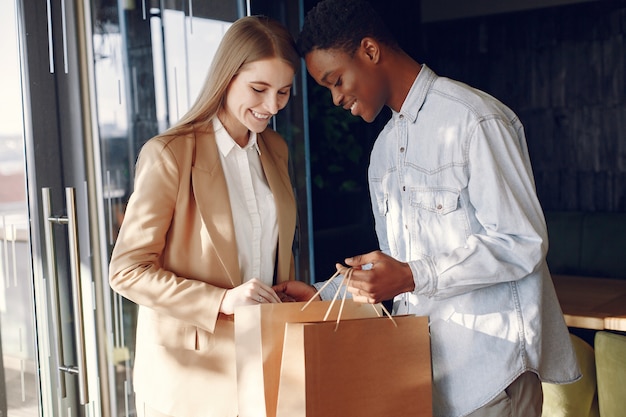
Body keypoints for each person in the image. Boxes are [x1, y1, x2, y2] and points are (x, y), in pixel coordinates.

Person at [273, 1, 581, 416]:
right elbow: (402, 286)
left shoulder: (475, 120)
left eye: (337, 80)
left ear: (369, 50)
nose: (335, 98)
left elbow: (521, 242)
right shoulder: (382, 154)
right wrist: (330, 300)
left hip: (492, 380)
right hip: (423, 379)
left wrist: (412, 274)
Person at [109, 15, 299, 417]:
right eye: (258, 89)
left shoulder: (275, 150)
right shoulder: (171, 154)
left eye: (283, 92)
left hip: (266, 360)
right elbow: (127, 271)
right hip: (193, 378)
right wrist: (222, 301)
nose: (271, 106)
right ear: (227, 78)